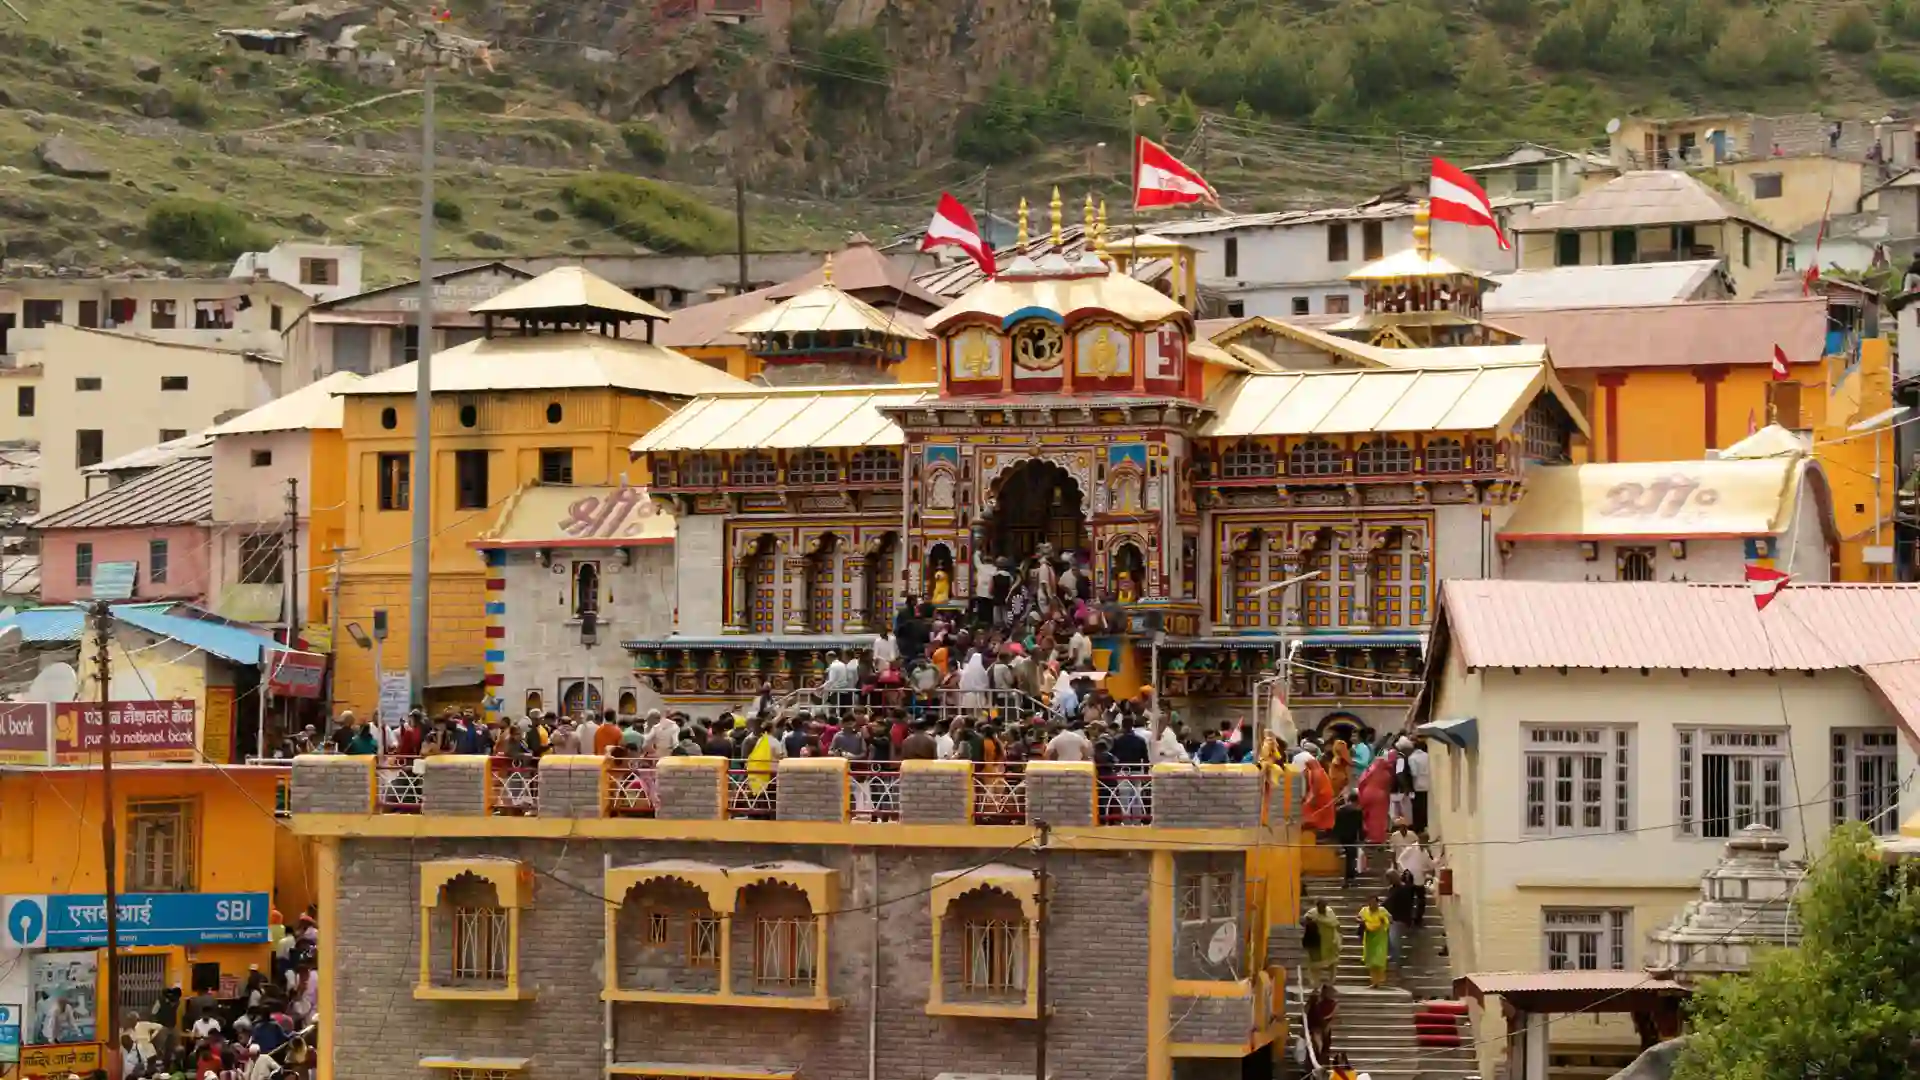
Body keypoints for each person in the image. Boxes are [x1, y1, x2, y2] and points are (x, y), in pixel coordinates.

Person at [1386, 870, 1421, 970]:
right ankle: (1394, 958)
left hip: (1400, 918)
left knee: (1394, 940)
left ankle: (1397, 961)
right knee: (1391, 939)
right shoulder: (1396, 889)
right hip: (1396, 917)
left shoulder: (1403, 889)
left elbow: (1391, 902)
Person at [1303, 900, 1341, 988]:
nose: (1323, 908)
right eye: (1321, 906)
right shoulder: (1312, 913)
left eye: (1324, 906)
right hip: (1316, 942)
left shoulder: (1330, 912)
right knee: (1314, 965)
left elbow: (1335, 923)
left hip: (1330, 942)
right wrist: (1310, 922)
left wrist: (1338, 938)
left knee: (1332, 963)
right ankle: (1315, 983)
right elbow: (1304, 921)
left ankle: (1331, 982)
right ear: (1317, 906)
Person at [1357, 895, 1392, 987]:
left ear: (1378, 903)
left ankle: (1379, 980)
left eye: (1374, 902)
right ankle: (1374, 981)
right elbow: (1358, 917)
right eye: (1370, 903)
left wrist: (1384, 920)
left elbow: (1390, 918)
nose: (1372, 904)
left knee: (1379, 960)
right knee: (1372, 960)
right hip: (1369, 937)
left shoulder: (1382, 910)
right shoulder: (1364, 910)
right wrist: (1362, 920)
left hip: (1380, 937)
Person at [1332, 793, 1365, 886]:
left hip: (1342, 838)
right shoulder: (1358, 812)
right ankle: (1350, 879)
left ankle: (1346, 879)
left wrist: (1336, 840)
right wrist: (1361, 839)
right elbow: (1360, 827)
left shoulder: (1339, 810)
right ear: (1357, 801)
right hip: (1352, 838)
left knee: (1346, 859)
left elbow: (1336, 826)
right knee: (1351, 858)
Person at [1301, 755, 1336, 834]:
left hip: (1322, 796)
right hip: (1323, 795)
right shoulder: (1316, 771)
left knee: (1309, 809)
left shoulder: (1317, 773)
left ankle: (1317, 828)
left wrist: (1311, 799)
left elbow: (1316, 789)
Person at [1305, 985, 1338, 1065]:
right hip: (1317, 1028)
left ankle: (1320, 1061)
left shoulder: (1320, 1005)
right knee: (1319, 1046)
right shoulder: (1316, 1006)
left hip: (1319, 1028)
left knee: (1322, 1046)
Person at [1408, 738, 1432, 833]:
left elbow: (1413, 773)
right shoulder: (1427, 756)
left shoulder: (1412, 758)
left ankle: (1418, 827)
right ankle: (1424, 825)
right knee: (1425, 805)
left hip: (1417, 785)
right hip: (1427, 783)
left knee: (1416, 807)